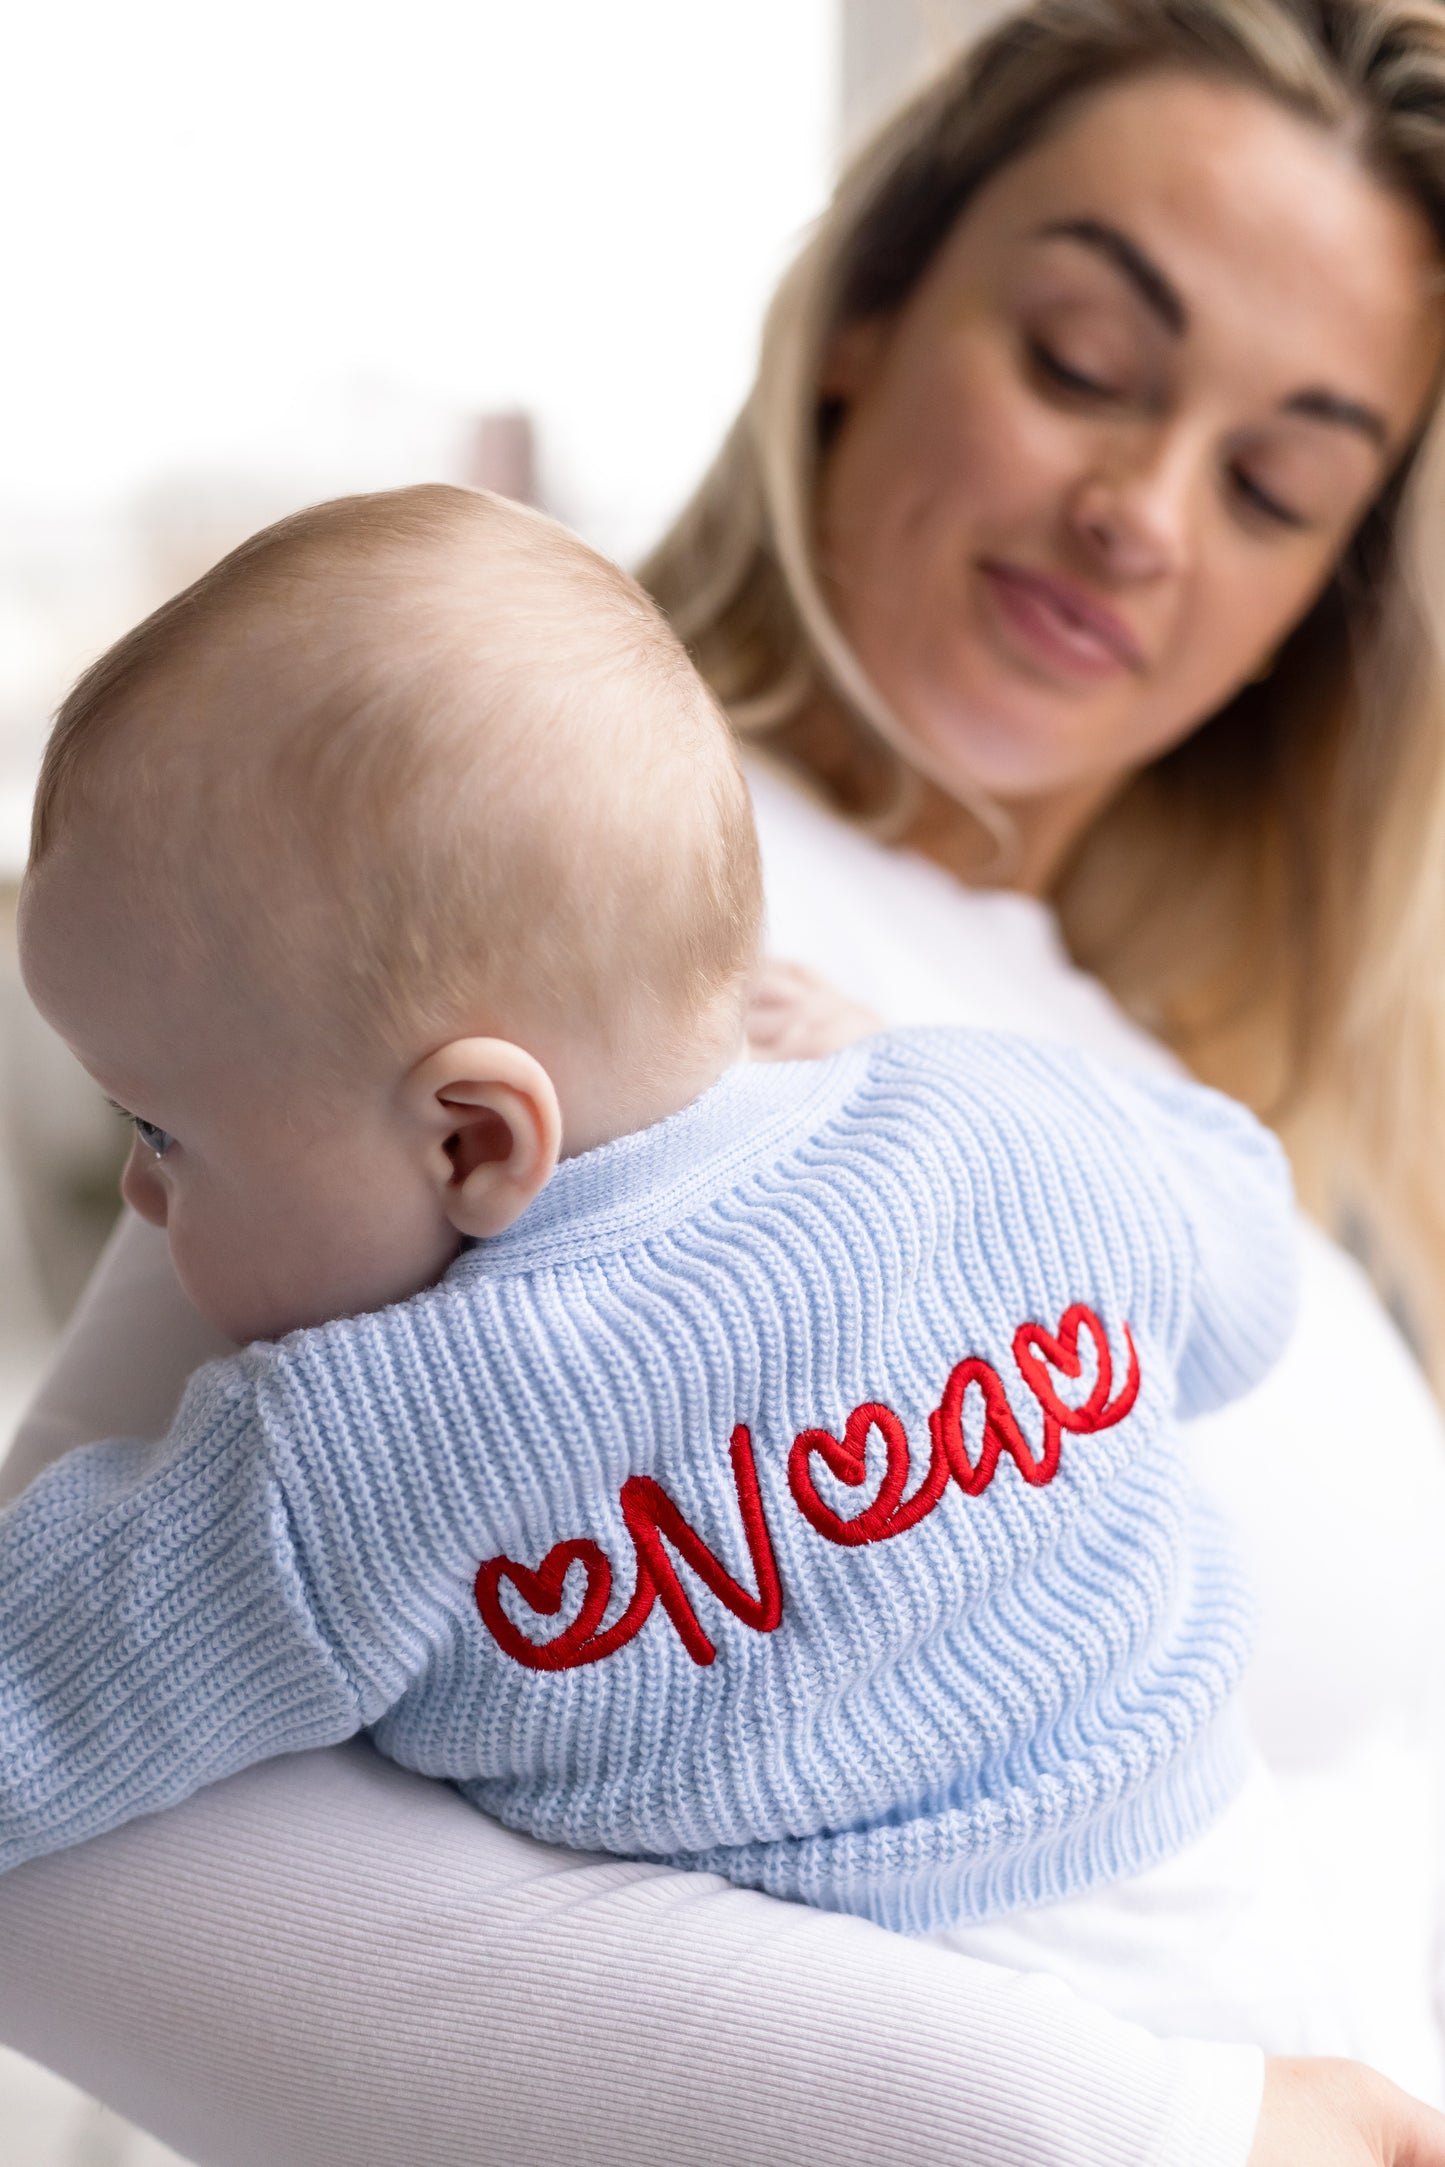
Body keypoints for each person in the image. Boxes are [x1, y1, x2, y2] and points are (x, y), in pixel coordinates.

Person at [5, 3, 1445, 2163]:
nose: (1142, 512)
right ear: (864, 314)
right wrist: (1156, 2129)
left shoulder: (1064, 1087)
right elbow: (70, 1868)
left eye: (1275, 482)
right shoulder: (462, 909)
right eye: (1077, 359)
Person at [11, 481, 1323, 2077]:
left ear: (471, 1139)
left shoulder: (362, 1453)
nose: (144, 1194)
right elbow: (1247, 1267)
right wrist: (905, 1066)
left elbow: (42, 1689)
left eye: (166, 1125)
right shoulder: (1011, 1123)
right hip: (1248, 1942)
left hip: (879, 2052)